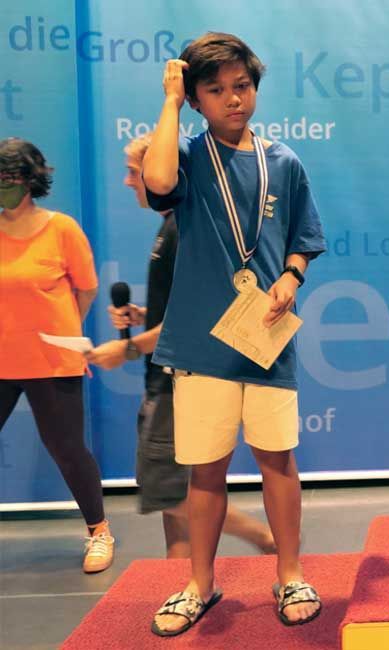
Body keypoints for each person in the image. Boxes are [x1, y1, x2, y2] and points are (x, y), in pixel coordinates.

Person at [140, 33, 326, 636]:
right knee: (205, 470)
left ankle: (290, 573)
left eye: (242, 86)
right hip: (201, 342)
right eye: (215, 90)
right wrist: (169, 101)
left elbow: (303, 238)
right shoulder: (188, 155)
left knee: (278, 460)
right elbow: (158, 181)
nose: (233, 99)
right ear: (196, 99)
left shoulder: (283, 161)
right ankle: (199, 583)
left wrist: (291, 278)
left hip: (266, 336)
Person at [85, 134, 276, 559]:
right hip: (169, 377)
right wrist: (143, 314)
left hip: (177, 380)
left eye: (134, 172)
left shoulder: (184, 229)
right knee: (175, 491)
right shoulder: (172, 224)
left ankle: (265, 538)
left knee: (165, 492)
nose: (127, 181)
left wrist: (127, 348)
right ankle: (179, 576)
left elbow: (191, 319)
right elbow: (178, 305)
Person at [0, 137, 114, 574]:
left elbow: (86, 289)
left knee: (66, 448)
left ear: (31, 180)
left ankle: (99, 532)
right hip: (3, 360)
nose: (4, 185)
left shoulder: (61, 229)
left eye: (10, 177)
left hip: (51, 362)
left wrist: (60, 332)